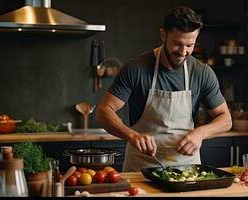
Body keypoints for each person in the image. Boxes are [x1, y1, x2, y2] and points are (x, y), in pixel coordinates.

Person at [96, 6, 232, 172]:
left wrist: (200, 133)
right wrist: (132, 135)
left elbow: (225, 119)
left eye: (190, 45)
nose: (183, 52)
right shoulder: (136, 69)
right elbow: (103, 112)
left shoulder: (202, 72)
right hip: (141, 168)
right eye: (177, 44)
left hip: (187, 169)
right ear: (163, 35)